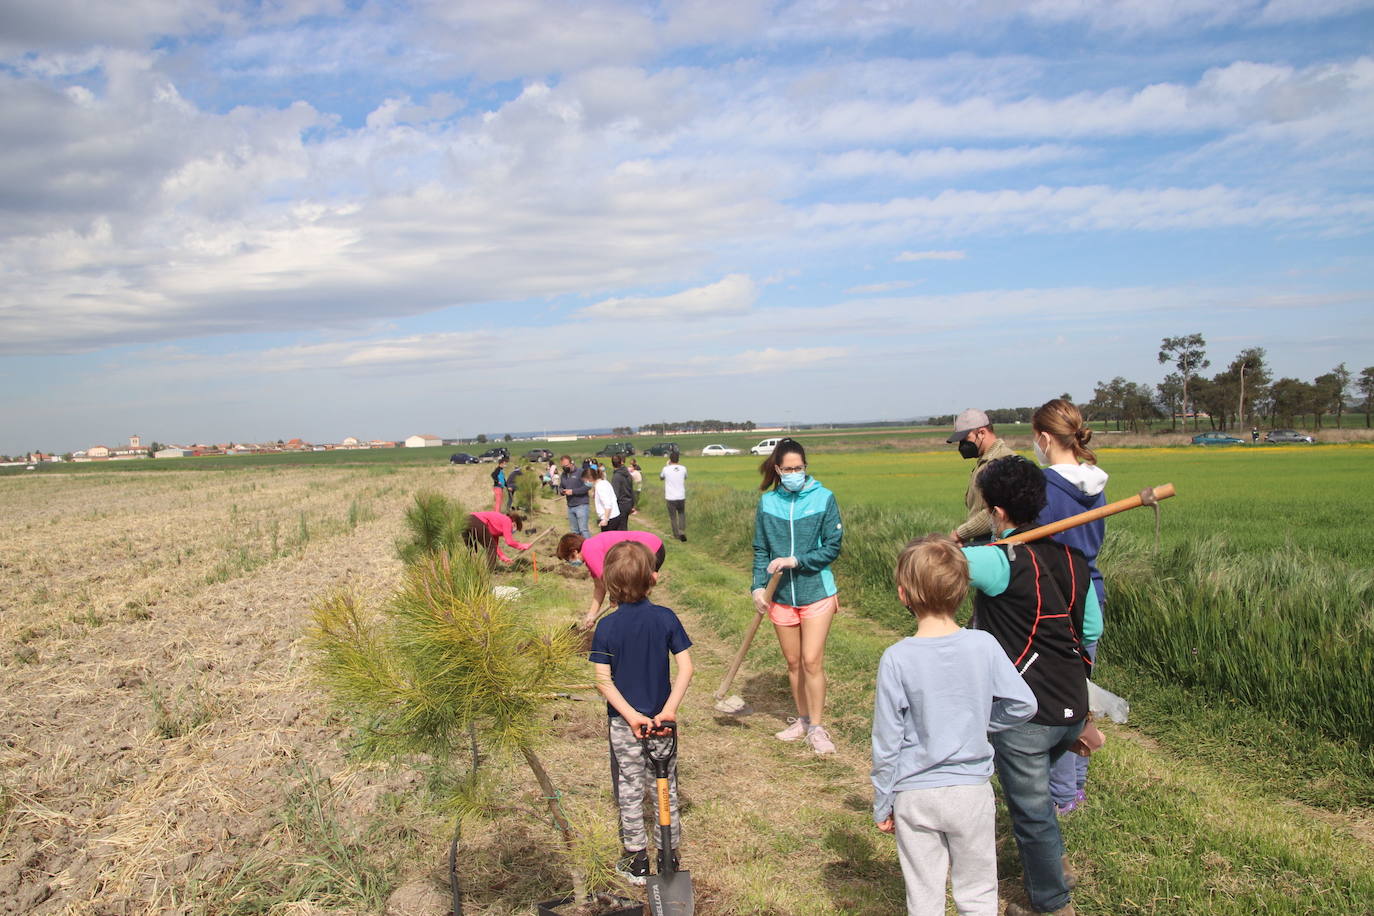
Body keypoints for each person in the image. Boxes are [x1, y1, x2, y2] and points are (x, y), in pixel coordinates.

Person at [961, 456, 1098, 916]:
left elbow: (933, 564)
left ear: (996, 512)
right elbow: (1092, 630)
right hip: (1071, 704)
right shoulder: (1075, 560)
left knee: (1032, 813)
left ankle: (1053, 904)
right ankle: (1056, 866)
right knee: (1036, 801)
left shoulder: (997, 562)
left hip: (1026, 715)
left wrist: (946, 542)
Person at [872, 535, 1037, 916]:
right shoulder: (984, 645)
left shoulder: (896, 658)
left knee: (924, 896)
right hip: (970, 792)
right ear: (963, 592)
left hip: (914, 794)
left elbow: (886, 740)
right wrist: (983, 722)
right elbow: (1024, 703)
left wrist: (883, 802)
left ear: (903, 595)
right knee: (978, 893)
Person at [589, 541, 694, 886]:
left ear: (608, 582)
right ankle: (670, 853)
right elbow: (687, 668)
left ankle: (636, 860)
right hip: (662, 723)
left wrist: (632, 717)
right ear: (654, 578)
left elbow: (603, 681)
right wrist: (668, 710)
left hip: (625, 724)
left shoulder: (606, 628)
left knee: (631, 785)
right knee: (666, 786)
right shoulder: (665, 618)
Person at [1032, 399, 1109, 816]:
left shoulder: (1045, 486)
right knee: (1079, 695)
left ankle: (1062, 799)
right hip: (1091, 593)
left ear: (1044, 438)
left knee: (1059, 701)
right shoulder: (1095, 482)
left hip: (1060, 601)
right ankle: (1076, 786)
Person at [751, 438, 844, 755]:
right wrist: (756, 587)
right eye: (788, 469)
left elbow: (832, 547)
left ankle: (818, 728)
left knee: (811, 660)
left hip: (816, 591)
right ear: (777, 469)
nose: (794, 473)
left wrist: (797, 560)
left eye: (799, 468)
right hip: (781, 597)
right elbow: (761, 549)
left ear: (806, 468)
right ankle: (803, 719)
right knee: (793, 663)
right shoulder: (767, 503)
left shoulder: (824, 498)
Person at [557, 530, 666, 629]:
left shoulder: (589, 550)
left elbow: (606, 579)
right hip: (653, 547)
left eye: (568, 559)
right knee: (631, 595)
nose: (570, 563)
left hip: (648, 549)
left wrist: (614, 597)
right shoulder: (589, 549)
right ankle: (640, 624)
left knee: (632, 595)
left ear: (574, 552)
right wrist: (591, 615)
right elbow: (600, 586)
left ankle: (642, 626)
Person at [946, 409, 1017, 546]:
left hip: (996, 540)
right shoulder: (986, 460)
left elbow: (993, 511)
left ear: (982, 433)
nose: (962, 446)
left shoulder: (1003, 461)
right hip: (983, 539)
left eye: (965, 440)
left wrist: (959, 534)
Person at [463, 510, 531, 566]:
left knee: (472, 550)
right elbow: (509, 542)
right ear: (514, 523)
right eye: (516, 528)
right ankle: (489, 574)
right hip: (477, 521)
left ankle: (469, 570)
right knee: (490, 548)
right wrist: (522, 545)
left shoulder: (496, 525)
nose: (513, 530)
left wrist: (502, 557)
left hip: (465, 520)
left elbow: (495, 545)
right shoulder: (507, 520)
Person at [559, 455, 592, 539]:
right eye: (563, 466)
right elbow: (561, 486)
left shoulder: (581, 472)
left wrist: (573, 492)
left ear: (571, 463)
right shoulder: (563, 475)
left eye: (566, 466)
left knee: (583, 530)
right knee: (574, 532)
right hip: (570, 506)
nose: (564, 468)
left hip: (581, 505)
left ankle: (590, 548)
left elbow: (588, 486)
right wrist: (562, 491)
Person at [660, 450, 688, 542]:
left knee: (673, 516)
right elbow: (685, 477)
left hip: (670, 496)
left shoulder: (666, 469)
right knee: (681, 514)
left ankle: (676, 534)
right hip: (681, 495)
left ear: (670, 459)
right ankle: (682, 531)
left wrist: (668, 465)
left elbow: (661, 477)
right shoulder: (683, 468)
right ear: (678, 459)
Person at [589, 466, 623, 532]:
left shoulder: (600, 486)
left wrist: (605, 519)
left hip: (610, 519)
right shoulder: (603, 482)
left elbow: (607, 504)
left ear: (591, 478)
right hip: (614, 516)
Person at [611, 454, 636, 527]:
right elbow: (631, 489)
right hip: (628, 502)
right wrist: (632, 504)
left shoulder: (617, 476)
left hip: (620, 504)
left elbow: (615, 493)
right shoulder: (627, 473)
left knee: (620, 528)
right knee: (624, 525)